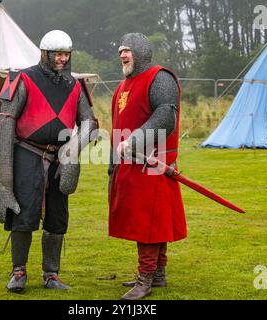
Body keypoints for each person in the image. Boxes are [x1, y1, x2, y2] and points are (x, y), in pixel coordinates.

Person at [0, 30, 98, 293]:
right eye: (58, 54)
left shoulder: (75, 85)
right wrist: (4, 183)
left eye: (66, 54)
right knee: (22, 211)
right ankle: (19, 271)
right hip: (26, 153)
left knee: (57, 216)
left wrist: (74, 148)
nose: (63, 59)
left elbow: (90, 123)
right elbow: (5, 125)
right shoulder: (22, 78)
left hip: (60, 157)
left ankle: (51, 274)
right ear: (45, 53)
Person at [108, 33, 187, 300]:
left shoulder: (159, 78)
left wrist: (134, 141)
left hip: (154, 163)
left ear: (141, 52)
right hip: (132, 165)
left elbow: (165, 118)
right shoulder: (124, 85)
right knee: (150, 222)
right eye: (120, 50)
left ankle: (146, 279)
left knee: (149, 224)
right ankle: (158, 274)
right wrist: (114, 163)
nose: (122, 55)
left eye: (127, 50)